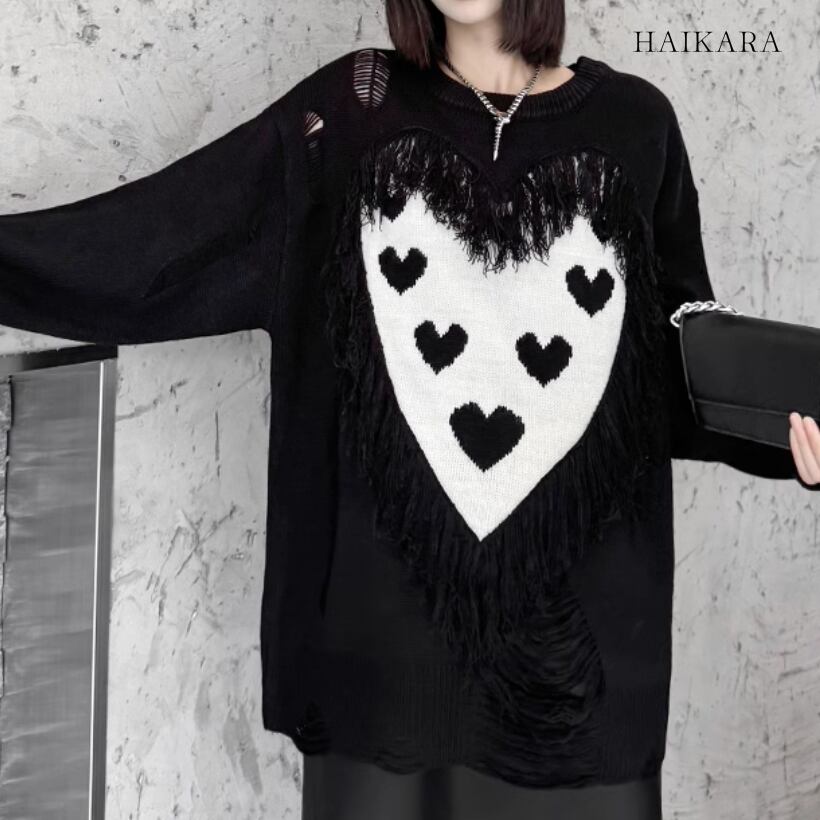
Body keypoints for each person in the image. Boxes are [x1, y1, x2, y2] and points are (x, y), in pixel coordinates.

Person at [0, 1, 817, 818]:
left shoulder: (637, 125)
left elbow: (665, 374)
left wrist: (790, 436)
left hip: (580, 682)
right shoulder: (346, 115)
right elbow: (159, 244)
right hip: (378, 672)